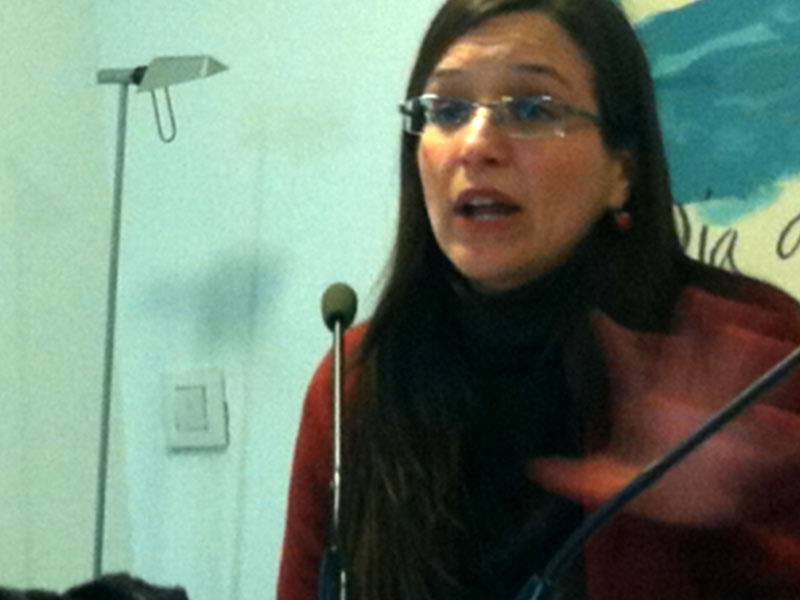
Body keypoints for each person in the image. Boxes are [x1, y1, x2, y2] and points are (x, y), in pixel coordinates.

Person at [277, 0, 800, 598]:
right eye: (447, 110)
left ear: (622, 170)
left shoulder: (743, 354)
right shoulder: (356, 383)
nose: (477, 144)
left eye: (532, 108)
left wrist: (739, 521)